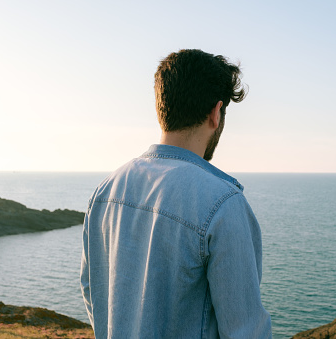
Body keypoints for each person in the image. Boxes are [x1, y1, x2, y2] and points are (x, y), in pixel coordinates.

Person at [80, 49, 272, 338]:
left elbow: (91, 290)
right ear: (216, 113)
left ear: (161, 109)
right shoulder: (224, 204)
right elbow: (245, 332)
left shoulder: (107, 190)